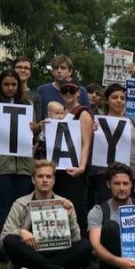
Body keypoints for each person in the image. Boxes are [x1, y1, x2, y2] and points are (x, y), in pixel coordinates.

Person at [0, 160, 91, 269]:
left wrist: (68, 219)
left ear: (54, 181)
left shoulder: (65, 204)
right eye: (40, 176)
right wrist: (21, 232)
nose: (45, 180)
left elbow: (76, 239)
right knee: (9, 240)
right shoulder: (20, 204)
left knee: (85, 245)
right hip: (30, 251)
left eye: (48, 177)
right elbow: (2, 241)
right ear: (33, 180)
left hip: (58, 252)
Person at [0, 69, 35, 261]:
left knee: (22, 210)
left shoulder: (27, 104)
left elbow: (33, 135)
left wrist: (35, 129)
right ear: (0, 85)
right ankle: (0, 251)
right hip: (0, 165)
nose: (10, 88)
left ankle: (20, 250)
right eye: (6, 84)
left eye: (13, 84)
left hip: (23, 165)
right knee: (2, 209)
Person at [51, 81, 92, 237]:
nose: (68, 93)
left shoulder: (83, 113)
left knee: (75, 206)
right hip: (58, 167)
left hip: (74, 167)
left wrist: (82, 167)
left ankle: (79, 242)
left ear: (78, 92)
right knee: (58, 205)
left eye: (72, 91)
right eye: (64, 91)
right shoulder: (58, 112)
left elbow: (86, 143)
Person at [87, 83, 135, 205]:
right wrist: (91, 132)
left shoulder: (131, 122)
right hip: (104, 174)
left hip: (129, 173)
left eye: (122, 98)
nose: (119, 101)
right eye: (115, 97)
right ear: (106, 100)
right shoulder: (97, 123)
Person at [35, 55, 91, 120]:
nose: (59, 71)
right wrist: (40, 125)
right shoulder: (42, 90)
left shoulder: (82, 91)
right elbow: (36, 121)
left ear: (70, 71)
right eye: (56, 68)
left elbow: (88, 117)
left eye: (63, 68)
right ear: (52, 72)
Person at [12, 56, 42, 122]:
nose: (22, 70)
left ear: (30, 73)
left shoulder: (36, 97)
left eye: (26, 68)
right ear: (13, 70)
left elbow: (38, 123)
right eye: (19, 67)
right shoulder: (5, 93)